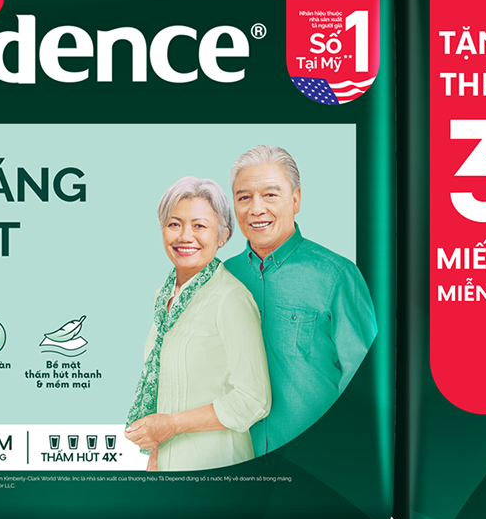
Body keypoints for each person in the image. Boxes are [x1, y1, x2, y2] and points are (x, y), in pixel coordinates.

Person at [224, 145, 377, 455]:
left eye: (270, 194)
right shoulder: (222, 278)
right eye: (244, 197)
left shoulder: (336, 275)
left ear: (296, 199)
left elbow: (365, 384)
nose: (256, 208)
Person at [125, 176, 271, 472]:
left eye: (199, 226)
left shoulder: (229, 298)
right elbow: (167, 387)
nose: (185, 236)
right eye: (174, 224)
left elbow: (254, 399)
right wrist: (156, 454)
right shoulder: (163, 297)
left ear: (223, 235)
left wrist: (173, 425)